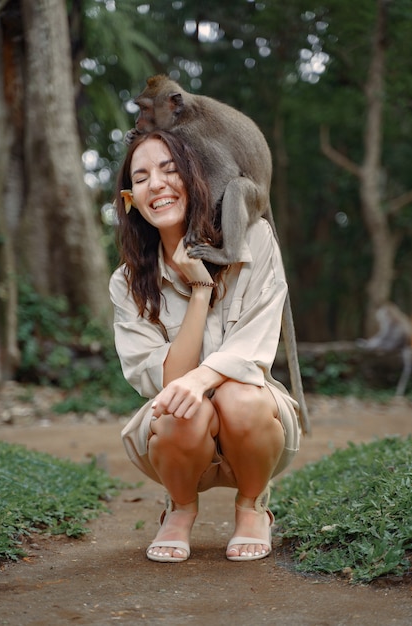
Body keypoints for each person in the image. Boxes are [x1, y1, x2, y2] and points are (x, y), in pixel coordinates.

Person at [109, 129, 300, 563]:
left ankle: (252, 506)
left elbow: (254, 347)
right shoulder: (126, 283)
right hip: (178, 439)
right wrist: (199, 288)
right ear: (130, 198)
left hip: (255, 426)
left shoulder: (254, 240)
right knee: (179, 406)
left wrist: (203, 378)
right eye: (141, 178)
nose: (155, 183)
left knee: (239, 395)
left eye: (169, 170)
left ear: (198, 178)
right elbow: (170, 383)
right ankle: (179, 507)